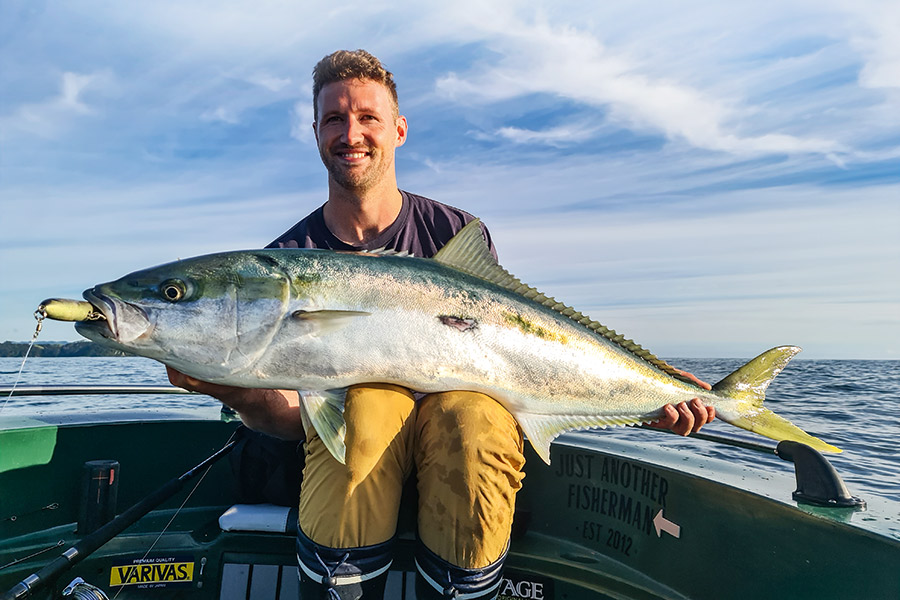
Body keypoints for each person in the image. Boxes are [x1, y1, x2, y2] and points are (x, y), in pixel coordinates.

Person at [168, 49, 715, 600]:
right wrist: (238, 393)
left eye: (368, 117)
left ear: (398, 129)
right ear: (315, 132)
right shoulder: (287, 257)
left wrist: (642, 387)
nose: (350, 133)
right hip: (347, 490)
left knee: (473, 415)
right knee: (368, 408)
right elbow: (291, 416)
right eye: (334, 118)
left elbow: (521, 348)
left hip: (458, 473)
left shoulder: (454, 233)